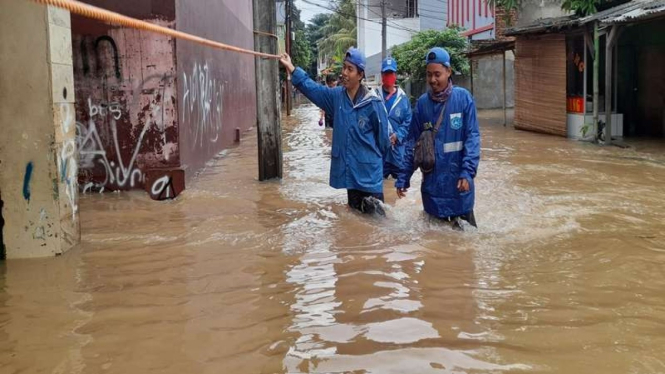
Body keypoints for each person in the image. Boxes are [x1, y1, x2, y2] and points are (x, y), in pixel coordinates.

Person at [279, 48, 391, 215]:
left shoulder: (373, 103)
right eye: (344, 67)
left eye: (350, 69)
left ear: (360, 75)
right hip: (351, 178)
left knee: (377, 226)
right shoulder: (337, 97)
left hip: (370, 178)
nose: (344, 73)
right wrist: (293, 69)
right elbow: (313, 89)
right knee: (355, 224)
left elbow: (384, 142)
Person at [395, 47, 481, 230]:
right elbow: (411, 143)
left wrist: (468, 172)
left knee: (465, 249)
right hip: (432, 194)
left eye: (437, 74)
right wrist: (403, 177)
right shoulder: (422, 105)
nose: (432, 80)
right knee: (434, 249)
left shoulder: (464, 99)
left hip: (459, 190)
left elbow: (472, 138)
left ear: (448, 71)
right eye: (429, 75)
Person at [374, 57, 412, 179]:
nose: (389, 76)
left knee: (399, 190)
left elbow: (408, 122)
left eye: (391, 73)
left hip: (398, 154)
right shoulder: (374, 97)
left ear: (395, 75)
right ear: (381, 75)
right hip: (380, 154)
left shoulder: (403, 98)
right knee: (379, 188)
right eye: (386, 73)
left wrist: (397, 135)